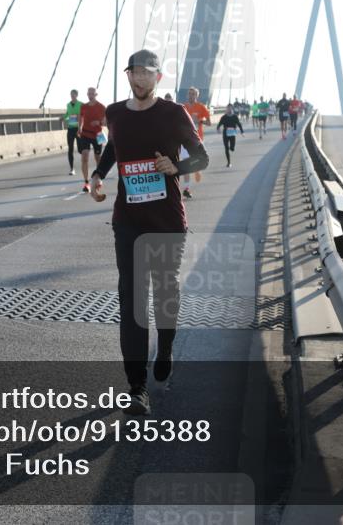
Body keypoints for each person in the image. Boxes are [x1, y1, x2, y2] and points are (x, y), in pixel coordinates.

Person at [89, 49, 209, 416]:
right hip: (128, 221)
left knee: (165, 295)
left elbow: (201, 157)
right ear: (127, 76)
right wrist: (97, 175)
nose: (139, 79)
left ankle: (167, 348)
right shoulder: (115, 113)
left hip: (167, 222)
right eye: (133, 73)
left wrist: (175, 166)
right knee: (132, 301)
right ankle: (136, 386)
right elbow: (113, 148)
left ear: (158, 77)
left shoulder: (173, 114)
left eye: (146, 73)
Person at [181, 87, 210, 198]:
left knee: (196, 162)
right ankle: (187, 188)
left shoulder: (201, 107)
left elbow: (209, 122)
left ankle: (197, 170)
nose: (191, 96)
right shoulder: (183, 108)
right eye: (189, 94)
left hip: (197, 140)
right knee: (186, 163)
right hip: (184, 140)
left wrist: (199, 120)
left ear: (196, 96)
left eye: (193, 94)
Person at [77, 87, 106, 192]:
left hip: (98, 135)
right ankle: (86, 183)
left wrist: (98, 123)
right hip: (85, 134)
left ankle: (98, 179)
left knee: (98, 158)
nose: (90, 95)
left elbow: (106, 122)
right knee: (84, 156)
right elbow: (81, 117)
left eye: (92, 94)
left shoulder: (102, 107)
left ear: (96, 94)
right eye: (88, 94)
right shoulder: (83, 106)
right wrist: (79, 127)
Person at [63, 89, 82, 175]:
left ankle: (84, 163)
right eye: (71, 94)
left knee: (80, 149)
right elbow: (67, 114)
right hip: (70, 129)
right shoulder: (68, 105)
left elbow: (83, 115)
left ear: (76, 95)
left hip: (78, 129)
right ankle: (72, 169)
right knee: (70, 149)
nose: (72, 96)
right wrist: (62, 117)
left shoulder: (80, 104)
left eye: (73, 94)